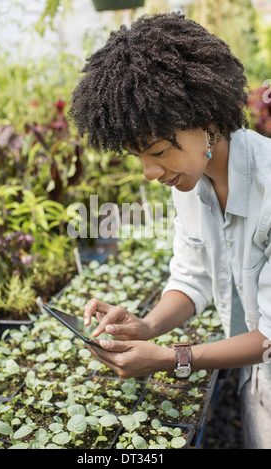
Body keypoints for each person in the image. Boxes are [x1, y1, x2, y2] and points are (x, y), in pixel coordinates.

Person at [69, 12, 271, 449]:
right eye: (138, 156)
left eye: (157, 152)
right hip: (257, 379)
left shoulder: (268, 188)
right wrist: (146, 327)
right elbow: (193, 276)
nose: (148, 172)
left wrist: (170, 359)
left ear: (206, 119)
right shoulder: (190, 179)